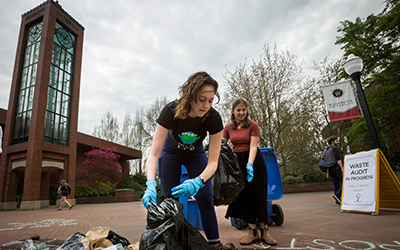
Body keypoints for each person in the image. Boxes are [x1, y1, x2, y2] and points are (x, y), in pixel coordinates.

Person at [142, 71, 231, 249]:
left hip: (195, 155)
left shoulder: (213, 118)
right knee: (169, 202)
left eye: (211, 100)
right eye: (201, 99)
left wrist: (199, 181)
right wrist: (150, 183)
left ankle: (215, 244)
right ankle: (170, 245)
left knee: (205, 198)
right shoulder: (170, 111)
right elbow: (153, 154)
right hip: (170, 154)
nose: (206, 105)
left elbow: (213, 162)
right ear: (189, 96)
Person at [222, 98, 277, 246]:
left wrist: (250, 164)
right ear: (233, 111)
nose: (241, 113)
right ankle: (252, 231)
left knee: (258, 195)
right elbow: (222, 145)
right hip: (236, 163)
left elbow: (253, 146)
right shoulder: (228, 127)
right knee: (243, 197)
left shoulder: (253, 126)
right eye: (238, 110)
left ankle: (265, 231)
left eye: (243, 110)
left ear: (247, 111)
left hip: (254, 162)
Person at [324, 136, 343, 205]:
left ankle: (337, 200)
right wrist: (342, 167)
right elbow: (338, 158)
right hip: (335, 167)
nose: (338, 142)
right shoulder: (335, 148)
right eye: (336, 141)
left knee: (336, 184)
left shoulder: (325, 150)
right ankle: (337, 195)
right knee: (344, 182)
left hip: (329, 169)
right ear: (332, 142)